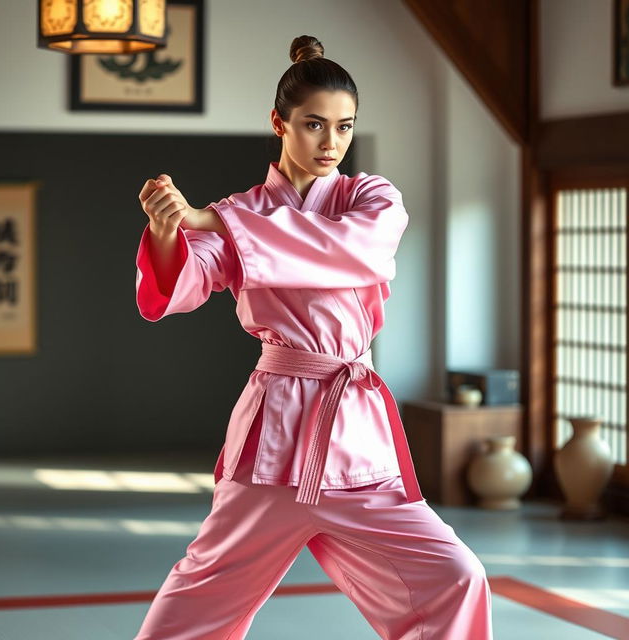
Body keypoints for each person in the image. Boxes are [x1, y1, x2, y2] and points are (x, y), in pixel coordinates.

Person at [133, 34, 493, 640]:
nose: (332, 143)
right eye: (314, 125)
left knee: (456, 576)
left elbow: (354, 253)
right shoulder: (240, 210)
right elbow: (187, 285)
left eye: (345, 127)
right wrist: (169, 228)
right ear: (279, 123)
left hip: (357, 445)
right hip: (274, 440)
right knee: (196, 605)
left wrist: (214, 221)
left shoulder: (369, 200)